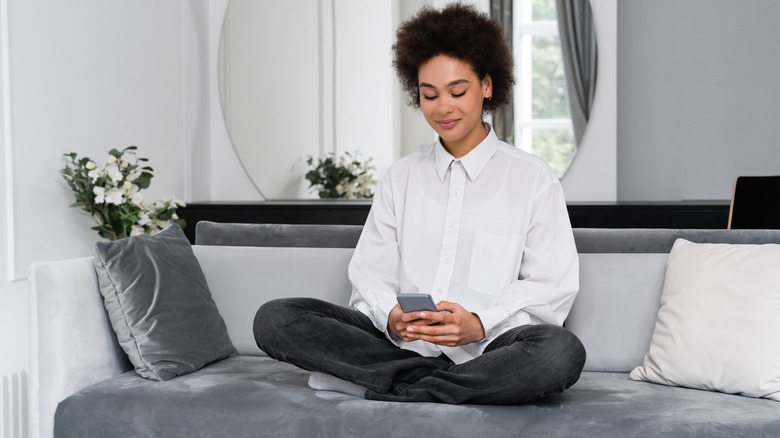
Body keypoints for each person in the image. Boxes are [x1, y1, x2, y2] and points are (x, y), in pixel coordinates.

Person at [254, 3, 585, 405]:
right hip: (398, 344)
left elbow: (551, 286)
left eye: (458, 91)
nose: (443, 107)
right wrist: (392, 316)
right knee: (276, 318)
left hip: (491, 348)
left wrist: (479, 324)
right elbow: (370, 276)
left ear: (487, 86)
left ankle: (378, 383)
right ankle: (436, 384)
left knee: (559, 352)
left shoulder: (533, 177)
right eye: (429, 95)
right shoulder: (401, 176)